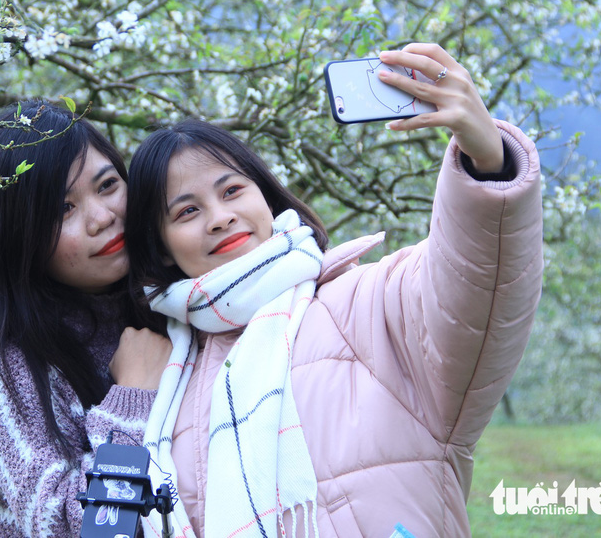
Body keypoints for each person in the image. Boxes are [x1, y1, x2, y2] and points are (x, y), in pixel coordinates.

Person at [125, 44, 543, 538]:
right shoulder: (169, 375)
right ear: (163, 245)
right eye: (187, 211)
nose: (221, 217)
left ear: (265, 194)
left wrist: (487, 159)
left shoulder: (369, 302)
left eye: (232, 190)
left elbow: (477, 284)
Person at [0, 99, 173, 537]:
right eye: (62, 210)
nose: (102, 218)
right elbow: (85, 531)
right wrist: (132, 397)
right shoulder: (8, 376)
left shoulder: (171, 306)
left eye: (107, 186)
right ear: (14, 239)